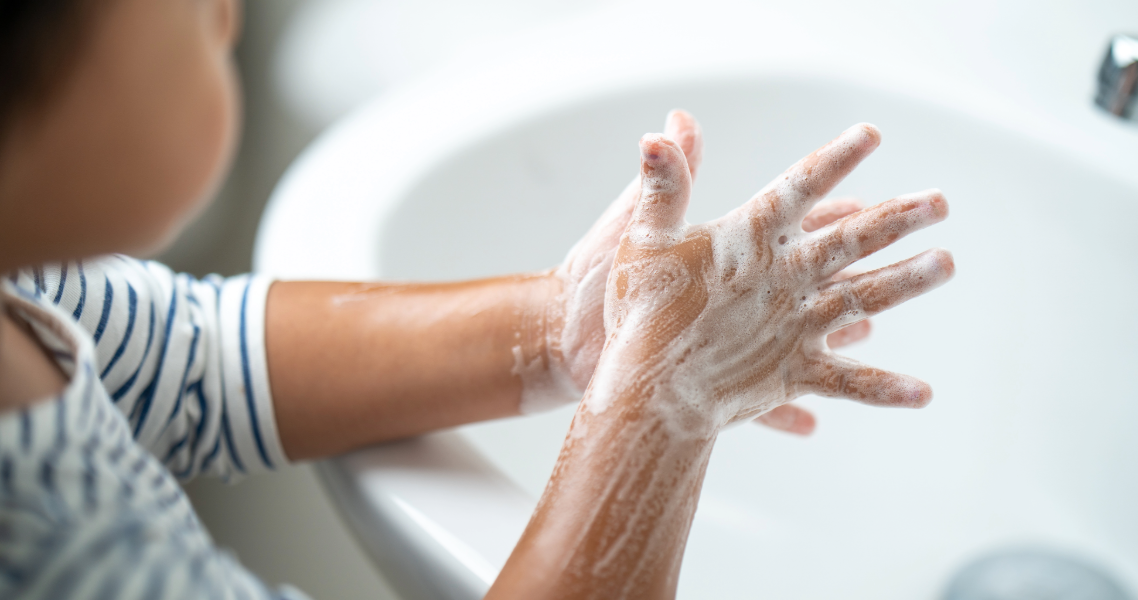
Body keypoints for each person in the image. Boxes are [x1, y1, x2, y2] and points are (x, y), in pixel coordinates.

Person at [0, 0, 953, 598]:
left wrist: (558, 328)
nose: (228, 14)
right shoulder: (46, 547)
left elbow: (188, 361)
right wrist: (660, 412)